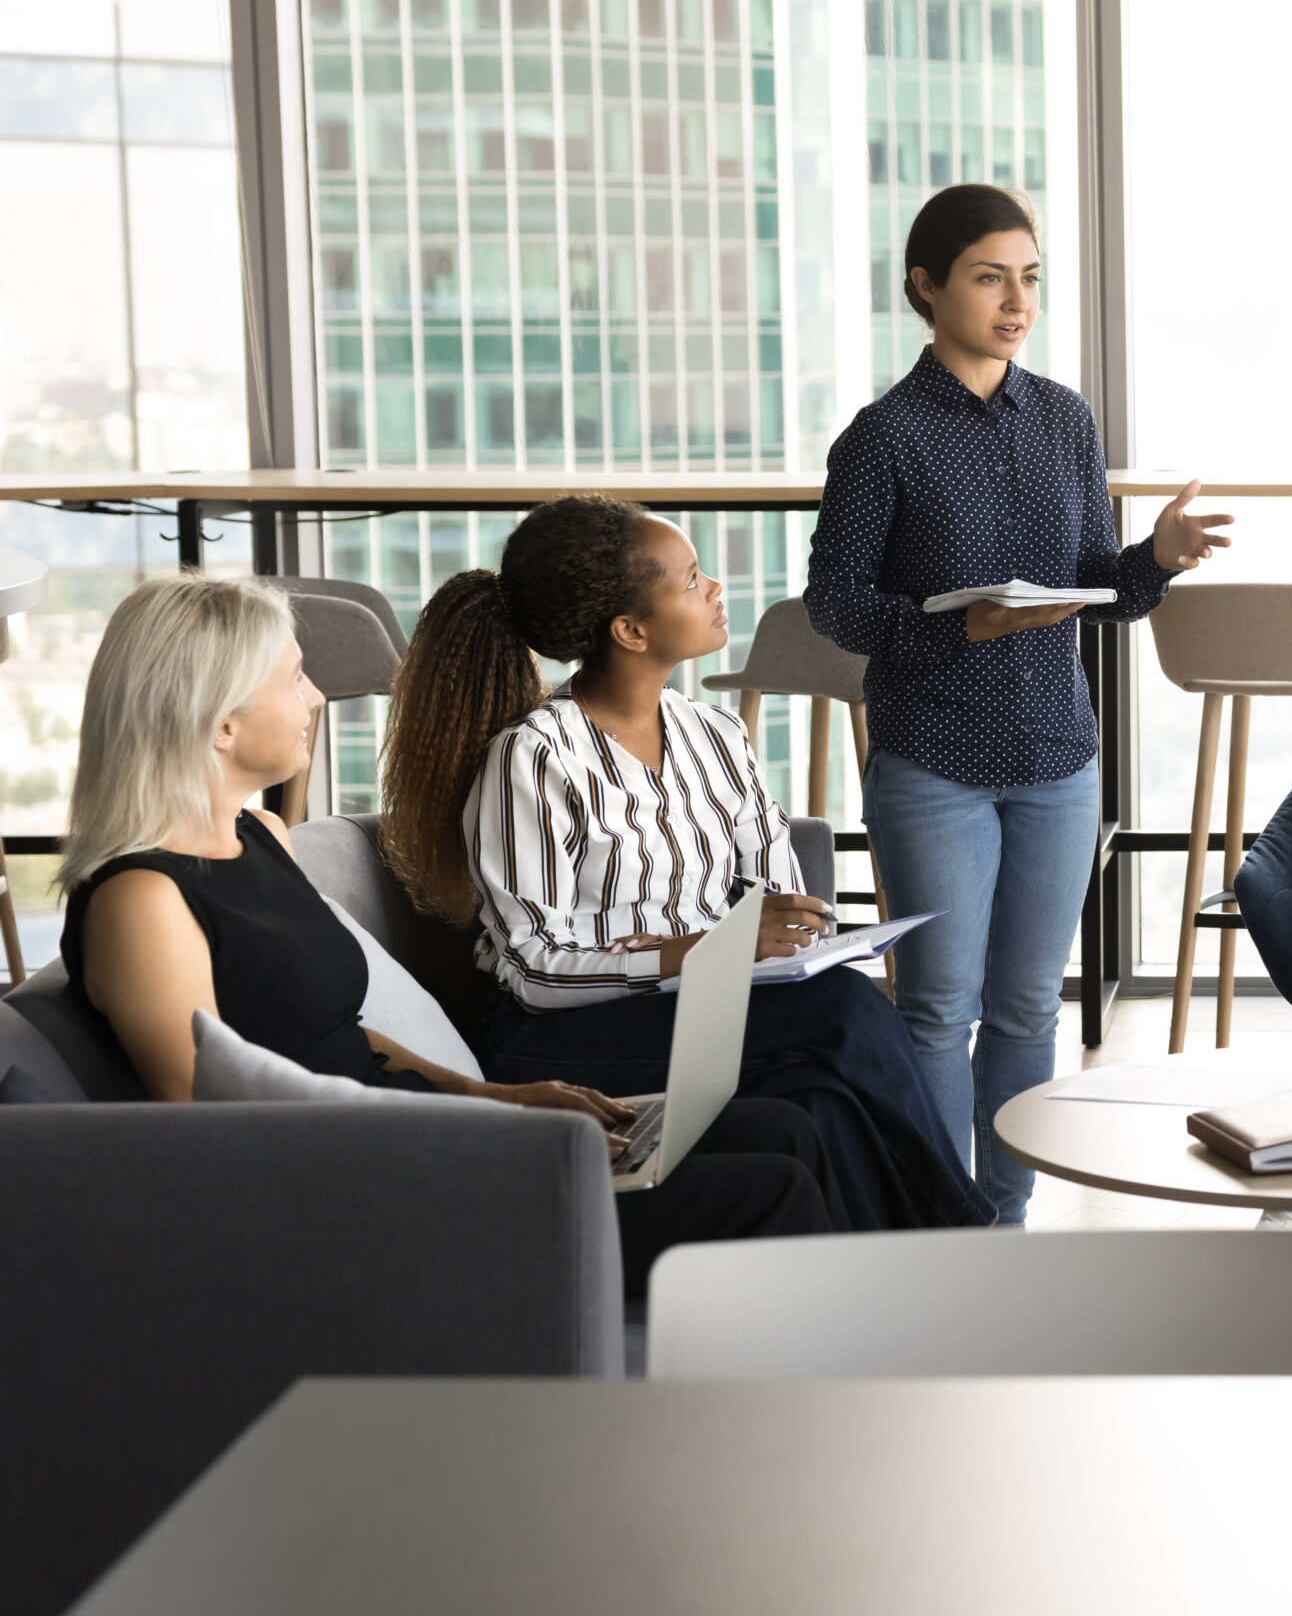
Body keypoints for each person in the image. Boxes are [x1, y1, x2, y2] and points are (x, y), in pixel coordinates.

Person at [62, 574, 848, 1296]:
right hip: (382, 1188)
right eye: (294, 677)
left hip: (430, 1137)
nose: (314, 698)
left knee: (780, 1126)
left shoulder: (261, 834)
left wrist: (502, 1100)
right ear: (221, 723)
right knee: (768, 1188)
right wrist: (479, 1137)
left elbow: (339, 1034)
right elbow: (203, 1121)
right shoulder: (143, 898)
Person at [380, 494, 992, 1232]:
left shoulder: (716, 733)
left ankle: (875, 1296)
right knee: (848, 1012)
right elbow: (539, 969)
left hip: (700, 1009)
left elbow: (776, 892)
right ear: (630, 629)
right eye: (691, 578)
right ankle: (966, 1235)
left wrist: (792, 932)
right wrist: (703, 949)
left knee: (822, 1094)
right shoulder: (536, 755)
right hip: (561, 1033)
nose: (716, 589)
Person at [805, 183, 1232, 1224]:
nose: (1015, 300)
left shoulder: (1065, 421)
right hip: (933, 762)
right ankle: (939, 1221)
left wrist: (1155, 561)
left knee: (1029, 1008)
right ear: (926, 285)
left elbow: (1098, 588)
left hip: (1056, 757)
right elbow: (835, 605)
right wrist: (960, 628)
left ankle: (1006, 1219)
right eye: (990, 276)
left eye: (1029, 278)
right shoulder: (883, 437)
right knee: (938, 1010)